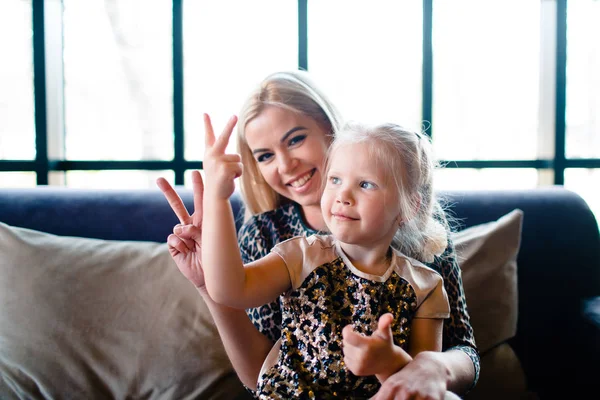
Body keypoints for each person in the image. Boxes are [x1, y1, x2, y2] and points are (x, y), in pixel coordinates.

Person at [156, 70, 479, 399]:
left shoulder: (422, 259)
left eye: (295, 139)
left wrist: (421, 365)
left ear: (331, 131)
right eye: (265, 156)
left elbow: (429, 374)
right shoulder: (288, 248)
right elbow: (261, 370)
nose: (285, 165)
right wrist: (216, 211)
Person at [201, 116, 451, 398]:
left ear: (408, 207)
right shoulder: (300, 256)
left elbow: (424, 388)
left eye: (366, 184)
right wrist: (217, 198)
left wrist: (389, 363)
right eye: (335, 179)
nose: (343, 195)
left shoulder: (426, 287)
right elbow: (228, 290)